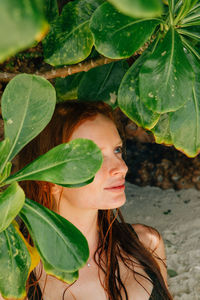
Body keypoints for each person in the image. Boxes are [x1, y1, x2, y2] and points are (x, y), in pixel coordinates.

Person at [19, 101, 173, 300]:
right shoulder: (15, 276)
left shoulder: (147, 244)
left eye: (117, 150)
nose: (122, 167)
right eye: (94, 158)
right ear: (48, 181)